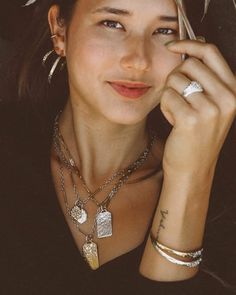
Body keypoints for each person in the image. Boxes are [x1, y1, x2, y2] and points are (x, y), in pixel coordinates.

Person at [0, 0, 235, 294]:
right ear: (59, 30)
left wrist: (190, 179)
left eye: (165, 30)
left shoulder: (225, 202)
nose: (138, 60)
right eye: (112, 23)